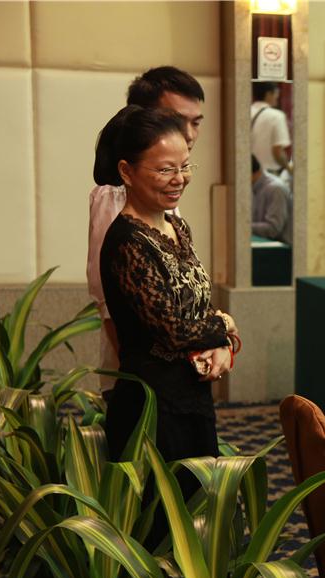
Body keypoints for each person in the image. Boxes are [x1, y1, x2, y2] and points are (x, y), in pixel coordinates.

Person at [94, 105, 237, 465]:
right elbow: (176, 330)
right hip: (151, 408)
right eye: (165, 169)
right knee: (161, 514)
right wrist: (225, 325)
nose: (180, 178)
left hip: (192, 396)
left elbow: (197, 312)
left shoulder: (176, 226)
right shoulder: (127, 241)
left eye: (185, 166)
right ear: (126, 171)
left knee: (196, 511)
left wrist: (223, 345)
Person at [87, 66, 206, 401]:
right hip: (143, 382)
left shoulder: (166, 191)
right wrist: (134, 375)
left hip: (179, 370)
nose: (188, 132)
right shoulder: (117, 195)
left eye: (196, 121)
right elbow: (107, 299)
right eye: (176, 118)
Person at [251, 81, 292, 178]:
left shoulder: (244, 112)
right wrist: (289, 168)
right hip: (269, 175)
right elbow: (277, 152)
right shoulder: (277, 116)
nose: (278, 95)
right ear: (268, 94)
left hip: (249, 174)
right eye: (276, 92)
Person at [251, 155, 292, 245]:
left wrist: (243, 227)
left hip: (282, 251)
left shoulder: (275, 189)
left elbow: (273, 229)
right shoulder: (254, 188)